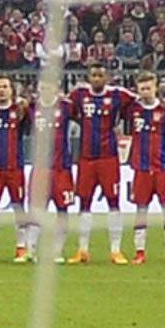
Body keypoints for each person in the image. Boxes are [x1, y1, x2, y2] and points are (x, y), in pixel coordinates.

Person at [55, 62, 136, 264]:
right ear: (88, 77)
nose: (97, 78)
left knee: (113, 203)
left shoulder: (118, 94)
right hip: (86, 159)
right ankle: (82, 250)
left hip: (108, 157)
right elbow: (65, 108)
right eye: (94, 75)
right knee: (84, 204)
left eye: (101, 75)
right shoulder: (79, 95)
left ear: (107, 77)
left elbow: (139, 102)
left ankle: (115, 250)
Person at [125, 70, 165, 266]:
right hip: (141, 169)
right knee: (141, 210)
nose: (145, 91)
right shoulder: (133, 109)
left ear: (155, 87)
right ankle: (139, 251)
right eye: (142, 88)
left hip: (163, 169)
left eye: (148, 87)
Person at [0, 77, 40, 263]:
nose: (1, 90)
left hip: (15, 168)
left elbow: (33, 123)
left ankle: (21, 247)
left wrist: (26, 104)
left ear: (11, 90)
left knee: (18, 207)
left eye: (5, 87)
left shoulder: (19, 110)